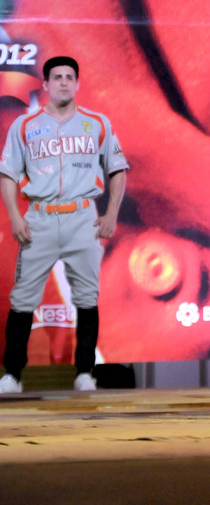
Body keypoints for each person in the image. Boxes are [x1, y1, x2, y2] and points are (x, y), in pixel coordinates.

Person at [0, 56, 128, 394]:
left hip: (82, 218)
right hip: (39, 218)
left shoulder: (97, 123)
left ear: (78, 83)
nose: (63, 82)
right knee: (23, 298)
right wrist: (14, 215)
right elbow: (8, 173)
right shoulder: (25, 126)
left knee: (86, 297)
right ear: (44, 84)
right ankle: (12, 374)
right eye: (56, 77)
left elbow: (117, 169)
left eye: (69, 77)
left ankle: (85, 371)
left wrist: (111, 215)